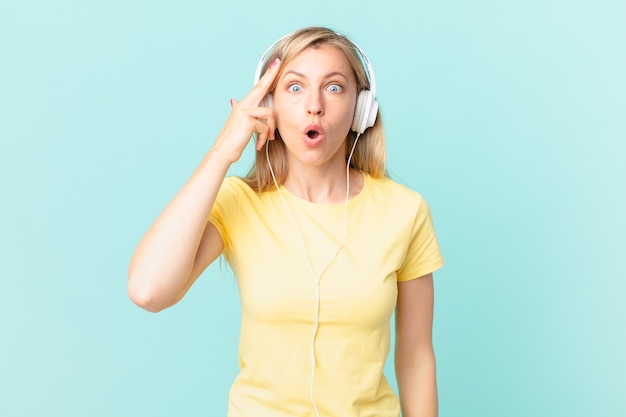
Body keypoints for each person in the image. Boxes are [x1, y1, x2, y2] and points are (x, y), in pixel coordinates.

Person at [128, 26, 444, 417]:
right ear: (269, 105)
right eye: (295, 87)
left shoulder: (404, 211)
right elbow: (148, 290)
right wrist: (222, 152)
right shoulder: (237, 202)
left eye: (333, 87)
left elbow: (415, 359)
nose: (314, 105)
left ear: (362, 109)